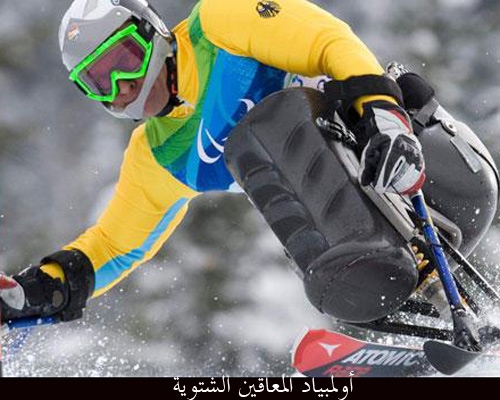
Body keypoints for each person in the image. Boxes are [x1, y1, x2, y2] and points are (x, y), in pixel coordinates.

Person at [0, 0, 425, 327]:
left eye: (123, 61)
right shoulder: (157, 155)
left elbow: (325, 41)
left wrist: (383, 112)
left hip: (397, 147)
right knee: (262, 164)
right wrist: (39, 289)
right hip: (354, 234)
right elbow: (114, 245)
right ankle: (395, 307)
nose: (121, 87)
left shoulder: (217, 25)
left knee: (266, 129)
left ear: (151, 32)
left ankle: (374, 261)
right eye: (99, 81)